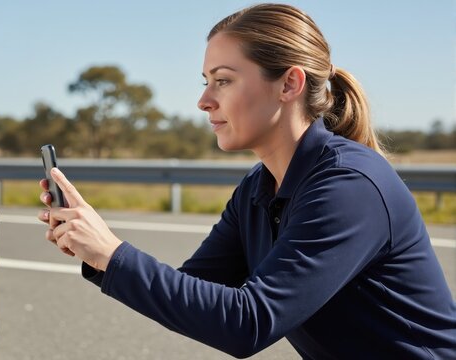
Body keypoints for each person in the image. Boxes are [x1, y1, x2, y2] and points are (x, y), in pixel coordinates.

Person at [37, 3, 456, 358]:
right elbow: (197, 291)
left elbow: (248, 323)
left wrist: (113, 254)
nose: (204, 100)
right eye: (206, 82)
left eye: (223, 80)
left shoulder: (350, 186)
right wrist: (96, 251)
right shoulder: (260, 187)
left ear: (289, 84)